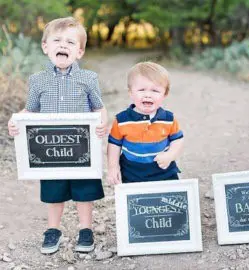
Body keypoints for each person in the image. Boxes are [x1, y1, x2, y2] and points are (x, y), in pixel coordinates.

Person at [7, 17, 108, 254]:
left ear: (79, 51)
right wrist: (16, 121)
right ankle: (53, 229)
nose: (63, 45)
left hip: (81, 149)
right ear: (45, 47)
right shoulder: (37, 80)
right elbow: (30, 110)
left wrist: (103, 123)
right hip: (50, 150)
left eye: (71, 42)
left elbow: (98, 108)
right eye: (57, 40)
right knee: (54, 191)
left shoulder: (88, 79)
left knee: (84, 190)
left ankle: (86, 229)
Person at [107, 61, 184, 184]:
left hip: (163, 170)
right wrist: (113, 167)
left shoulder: (168, 119)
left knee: (167, 199)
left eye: (155, 91)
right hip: (132, 171)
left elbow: (178, 139)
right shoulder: (121, 120)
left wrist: (170, 155)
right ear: (130, 92)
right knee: (137, 201)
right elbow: (114, 144)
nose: (148, 95)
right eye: (141, 90)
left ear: (165, 94)